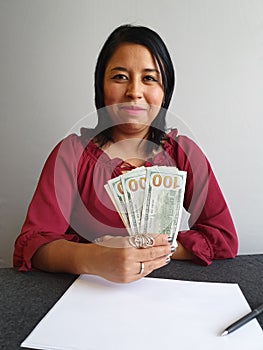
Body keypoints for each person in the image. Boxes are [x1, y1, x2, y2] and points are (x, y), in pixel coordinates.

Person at [13, 24, 238, 283]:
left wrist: (148, 251)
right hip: (85, 293)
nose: (134, 91)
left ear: (165, 92)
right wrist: (95, 257)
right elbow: (34, 244)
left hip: (166, 297)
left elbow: (223, 238)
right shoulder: (71, 155)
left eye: (150, 78)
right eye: (120, 77)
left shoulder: (184, 153)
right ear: (101, 86)